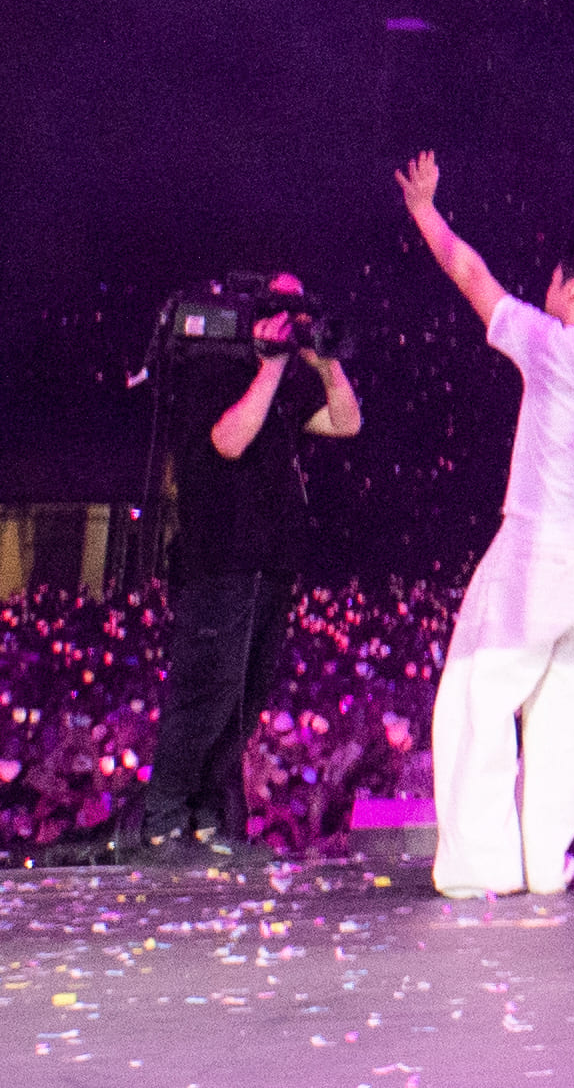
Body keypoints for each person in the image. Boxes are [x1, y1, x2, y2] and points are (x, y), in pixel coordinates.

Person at [396, 154, 574, 899]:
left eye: (553, 282)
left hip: (533, 555)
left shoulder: (550, 346)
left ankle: (484, 866)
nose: (543, 291)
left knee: (479, 698)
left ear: (571, 290)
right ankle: (546, 865)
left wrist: (424, 212)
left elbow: (472, 275)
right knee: (564, 720)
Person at [120, 273, 359, 865]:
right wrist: (271, 366)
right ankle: (165, 817)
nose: (289, 321)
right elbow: (229, 440)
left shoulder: (285, 383)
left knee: (244, 698)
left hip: (272, 564)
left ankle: (207, 818)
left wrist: (323, 362)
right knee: (205, 690)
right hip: (220, 560)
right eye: (281, 309)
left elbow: (347, 422)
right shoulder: (213, 369)